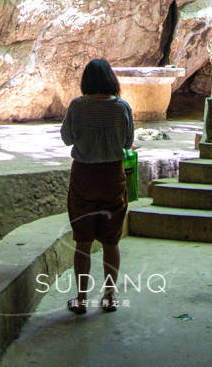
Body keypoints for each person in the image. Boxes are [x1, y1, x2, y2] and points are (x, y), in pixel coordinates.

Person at [60, 58, 135, 314]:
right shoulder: (122, 107)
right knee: (111, 241)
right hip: (113, 175)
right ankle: (109, 297)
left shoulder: (77, 107)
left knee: (82, 241)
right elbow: (128, 142)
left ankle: (81, 299)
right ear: (111, 80)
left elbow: (66, 138)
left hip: (84, 176)